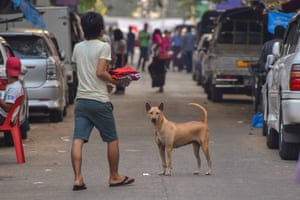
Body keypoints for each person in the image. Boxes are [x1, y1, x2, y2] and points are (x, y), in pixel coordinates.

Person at [71, 12, 135, 191]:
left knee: (78, 139)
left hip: (82, 101)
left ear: (83, 29)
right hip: (99, 102)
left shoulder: (78, 48)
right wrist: (116, 81)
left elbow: (86, 72)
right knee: (111, 139)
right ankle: (114, 176)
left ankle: (77, 178)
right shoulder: (103, 46)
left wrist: (103, 83)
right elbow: (99, 71)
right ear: (101, 29)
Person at [0, 57, 24, 124]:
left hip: (4, 118)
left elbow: (8, 108)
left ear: (6, 71)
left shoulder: (13, 88)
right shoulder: (18, 85)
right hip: (8, 117)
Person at [148, 28, 167, 93]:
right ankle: (160, 86)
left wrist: (156, 47)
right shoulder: (161, 37)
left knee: (153, 69)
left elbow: (159, 43)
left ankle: (157, 83)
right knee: (161, 71)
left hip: (158, 57)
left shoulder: (157, 36)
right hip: (162, 57)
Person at [112, 28, 127, 95]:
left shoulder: (121, 42)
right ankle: (117, 88)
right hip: (117, 57)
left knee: (120, 74)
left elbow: (122, 53)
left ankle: (121, 89)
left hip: (121, 57)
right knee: (116, 74)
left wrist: (122, 63)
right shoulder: (114, 41)